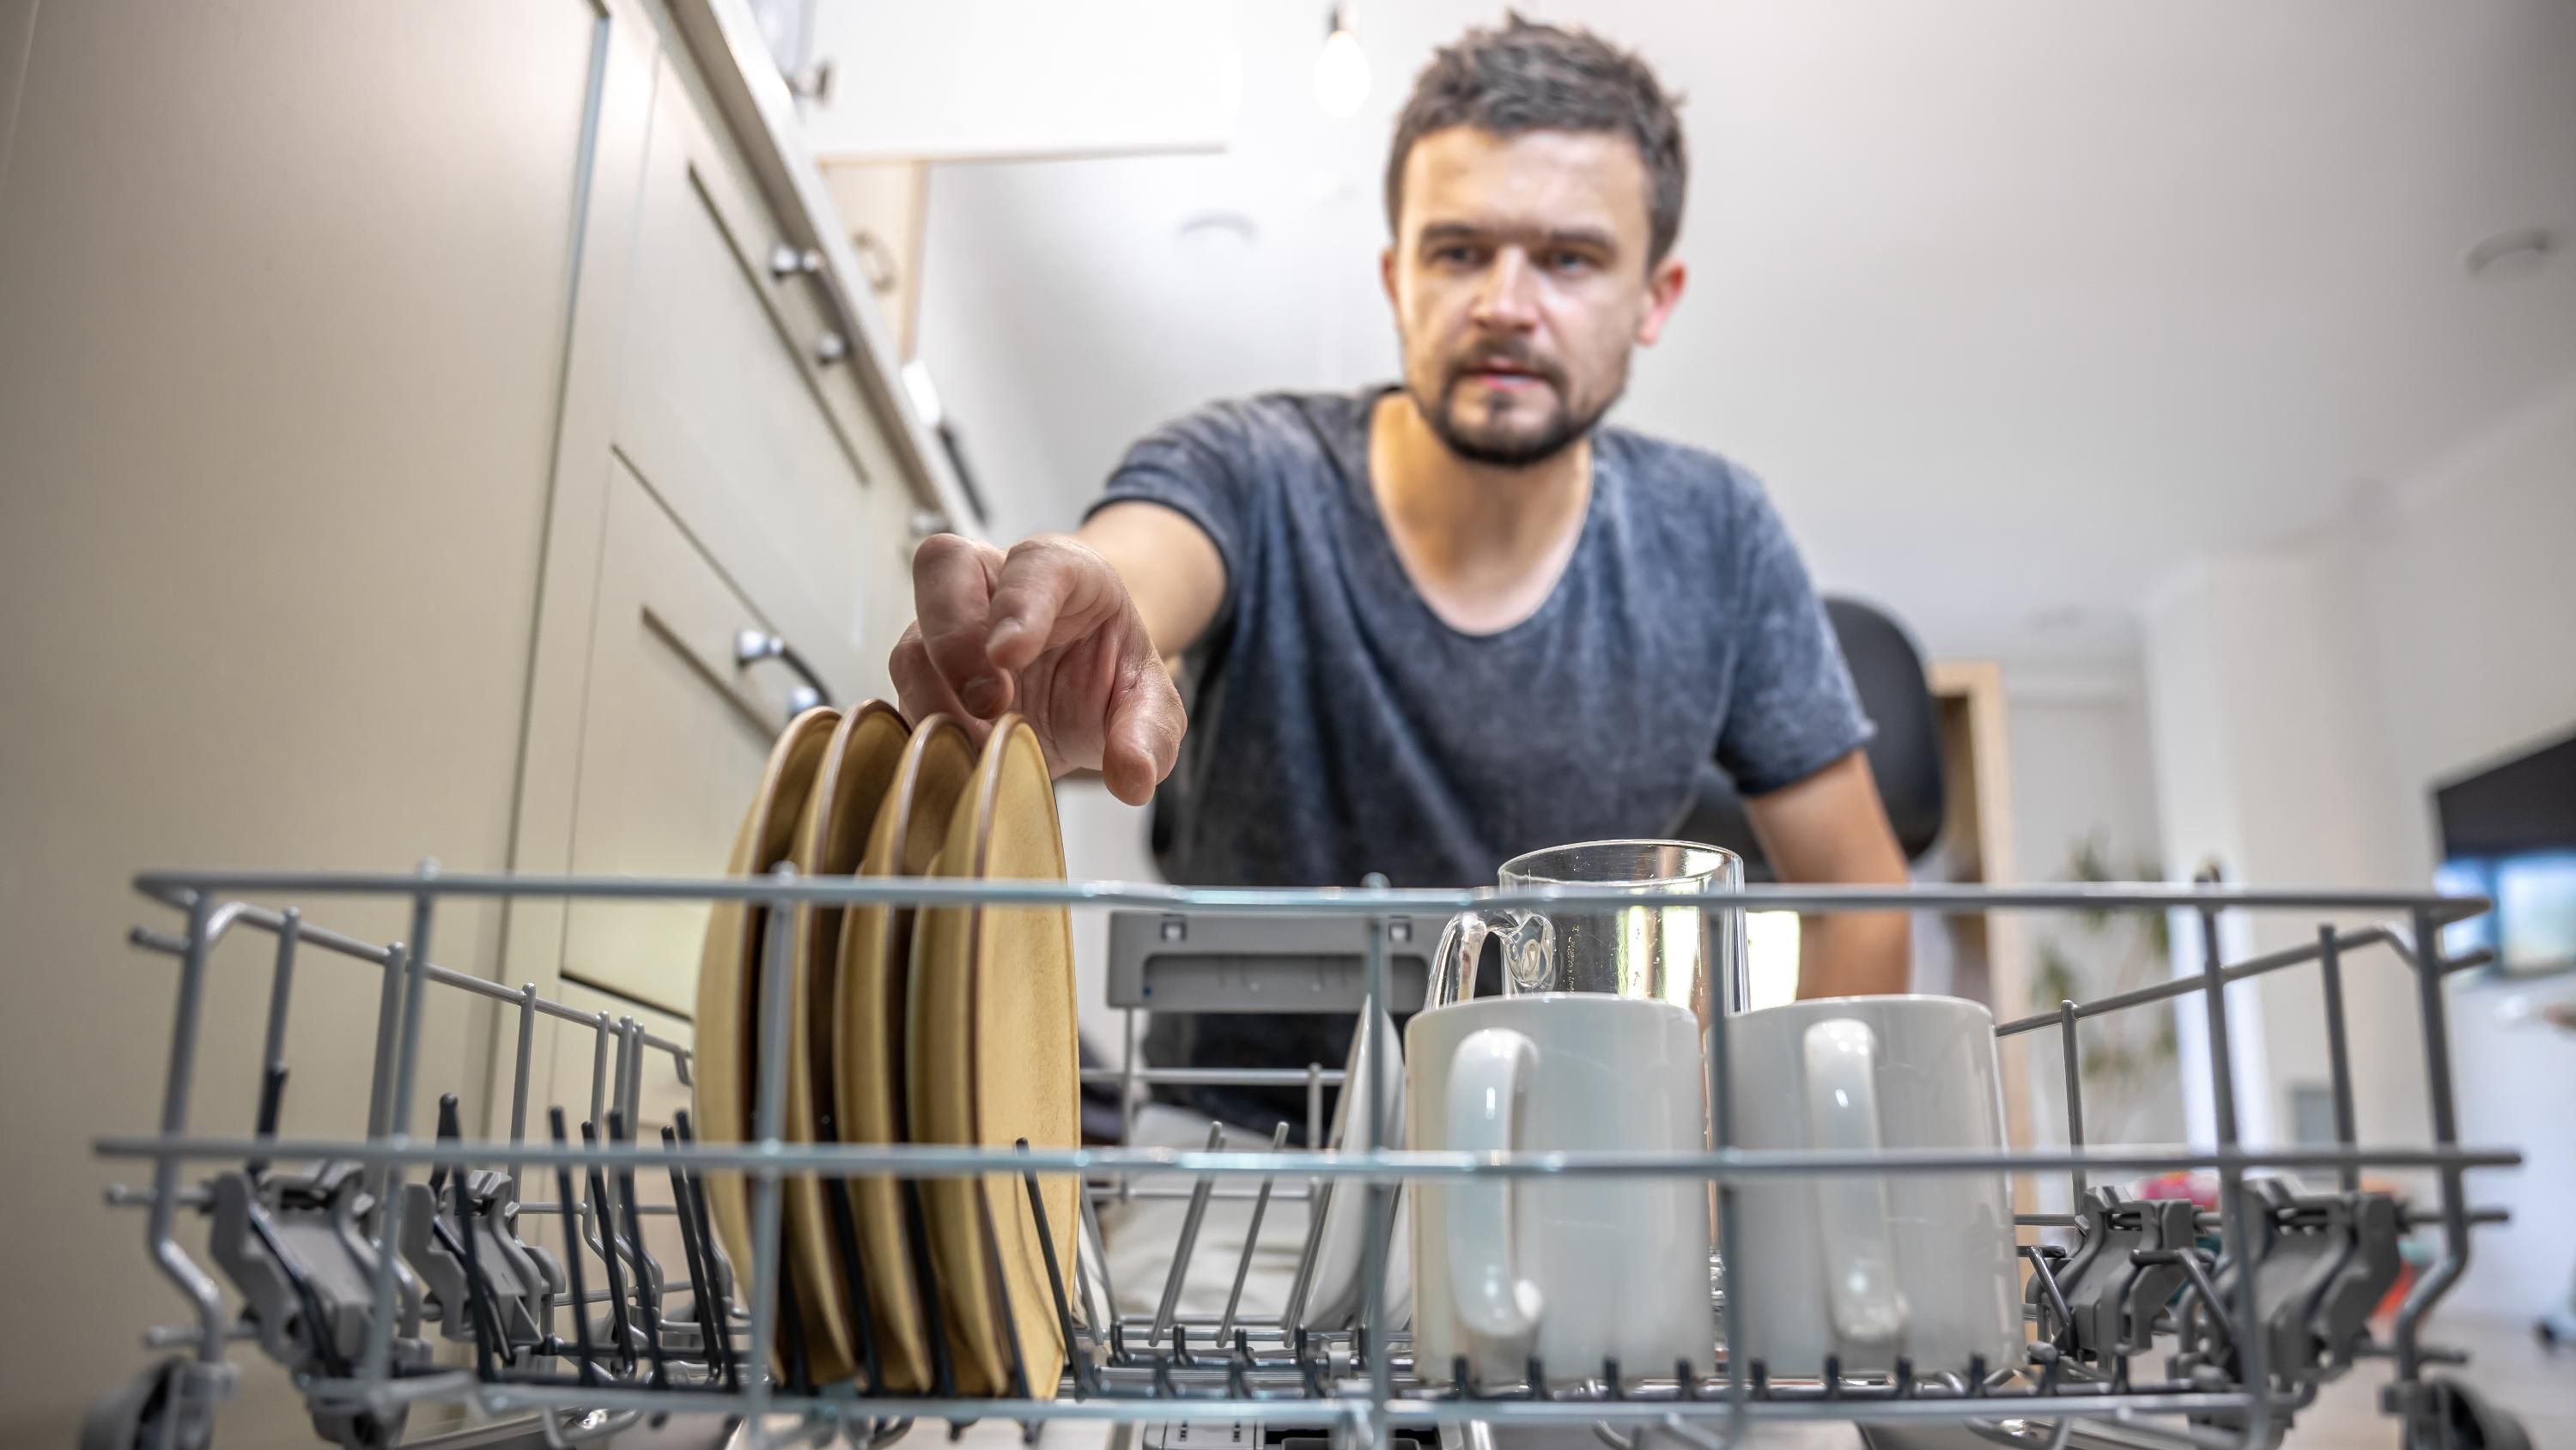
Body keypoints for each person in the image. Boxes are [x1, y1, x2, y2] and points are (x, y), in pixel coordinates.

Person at [892, 15, 1911, 1135]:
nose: (1505, 303)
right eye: (1458, 250)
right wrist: (1087, 623)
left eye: (1569, 258)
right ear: (1395, 275)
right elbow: (1137, 565)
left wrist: (1729, 1163)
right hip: (1234, 1186)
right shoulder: (1248, 468)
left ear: (1654, 297)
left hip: (1584, 1173)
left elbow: (1858, 898)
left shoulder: (1719, 534)